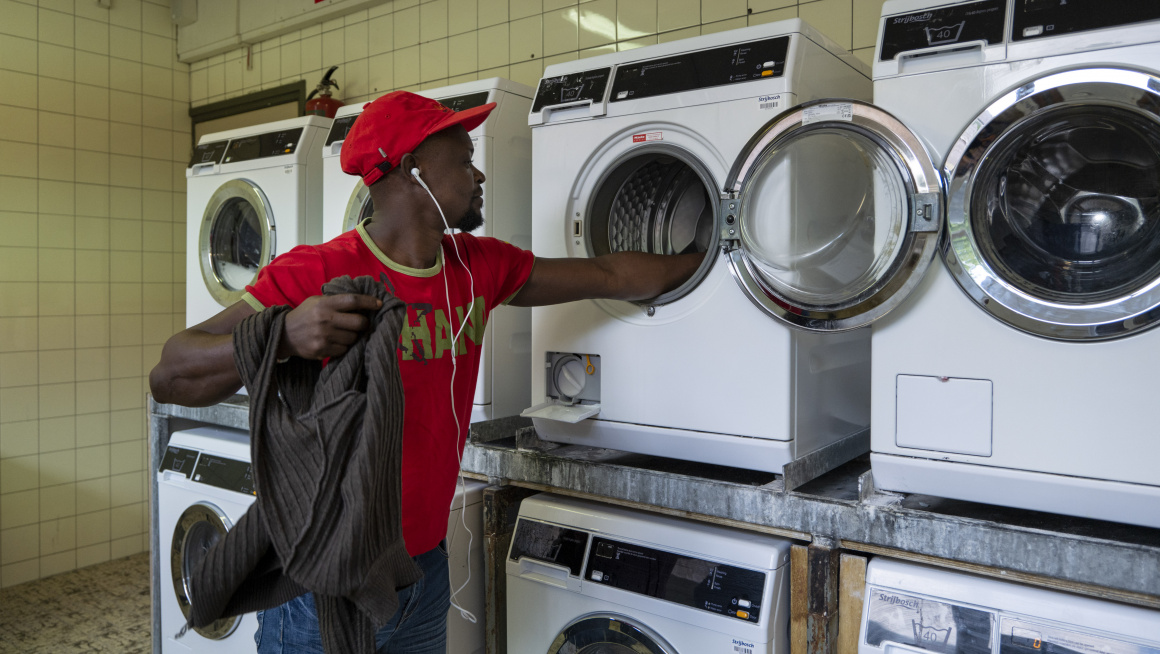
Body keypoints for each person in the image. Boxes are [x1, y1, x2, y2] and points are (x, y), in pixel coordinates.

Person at [149, 91, 702, 654]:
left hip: (422, 574)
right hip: (324, 585)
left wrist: (708, 254)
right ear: (414, 171)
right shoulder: (320, 271)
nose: (478, 172)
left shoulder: (476, 268)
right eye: (463, 160)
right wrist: (284, 335)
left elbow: (608, 275)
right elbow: (169, 373)